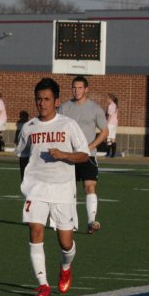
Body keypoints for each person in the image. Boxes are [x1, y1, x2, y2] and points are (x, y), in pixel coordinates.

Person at [15, 77, 90, 296]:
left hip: (63, 190)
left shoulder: (68, 125)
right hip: (36, 189)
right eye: (38, 99)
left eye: (47, 99)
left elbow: (84, 155)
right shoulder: (28, 128)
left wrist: (64, 154)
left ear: (56, 101)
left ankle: (66, 266)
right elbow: (23, 156)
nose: (42, 103)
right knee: (35, 230)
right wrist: (25, 182)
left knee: (65, 241)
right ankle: (43, 284)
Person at [58, 76, 108, 234]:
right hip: (69, 156)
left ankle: (91, 221)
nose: (76, 90)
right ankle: (69, 223)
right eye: (74, 87)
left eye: (80, 87)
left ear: (86, 89)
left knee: (90, 186)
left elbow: (105, 132)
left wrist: (90, 147)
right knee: (68, 191)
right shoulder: (64, 108)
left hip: (88, 156)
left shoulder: (95, 109)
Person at [104, 94, 118, 158]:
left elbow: (110, 116)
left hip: (110, 123)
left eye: (107, 98)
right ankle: (113, 154)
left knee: (109, 138)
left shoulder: (110, 106)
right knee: (113, 138)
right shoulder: (115, 105)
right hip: (114, 124)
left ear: (110, 99)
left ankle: (108, 153)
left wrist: (107, 123)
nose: (107, 100)